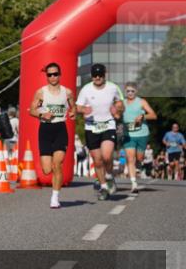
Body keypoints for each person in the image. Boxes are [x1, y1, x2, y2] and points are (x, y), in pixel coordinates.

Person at [29, 62, 75, 208]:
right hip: (45, 130)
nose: (53, 77)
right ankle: (54, 193)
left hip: (61, 129)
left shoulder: (67, 92)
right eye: (50, 75)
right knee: (47, 169)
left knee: (57, 164)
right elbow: (31, 110)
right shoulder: (41, 92)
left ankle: (55, 197)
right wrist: (42, 113)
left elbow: (73, 107)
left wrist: (73, 113)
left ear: (60, 75)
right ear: (46, 76)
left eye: (55, 74)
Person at [76, 63, 125, 200]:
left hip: (108, 125)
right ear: (92, 76)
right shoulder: (85, 89)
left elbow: (120, 103)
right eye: (95, 75)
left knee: (107, 156)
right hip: (91, 127)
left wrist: (118, 109)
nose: (97, 77)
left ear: (105, 75)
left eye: (100, 75)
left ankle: (109, 176)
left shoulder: (113, 87)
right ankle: (103, 187)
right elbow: (77, 107)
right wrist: (83, 110)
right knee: (97, 161)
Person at [120, 82, 157, 193]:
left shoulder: (141, 102)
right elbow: (117, 116)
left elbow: (154, 115)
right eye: (128, 91)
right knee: (130, 158)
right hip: (128, 135)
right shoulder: (121, 104)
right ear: (125, 92)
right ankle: (134, 184)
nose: (130, 93)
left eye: (132, 91)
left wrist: (143, 116)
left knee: (139, 158)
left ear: (136, 92)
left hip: (142, 134)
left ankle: (139, 165)